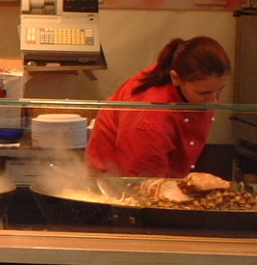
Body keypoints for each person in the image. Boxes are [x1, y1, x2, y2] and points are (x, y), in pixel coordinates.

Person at [85, 36, 231, 178]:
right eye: (204, 93)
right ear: (176, 78)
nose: (214, 100)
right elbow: (145, 183)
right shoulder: (152, 118)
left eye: (220, 89)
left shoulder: (186, 73)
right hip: (114, 177)